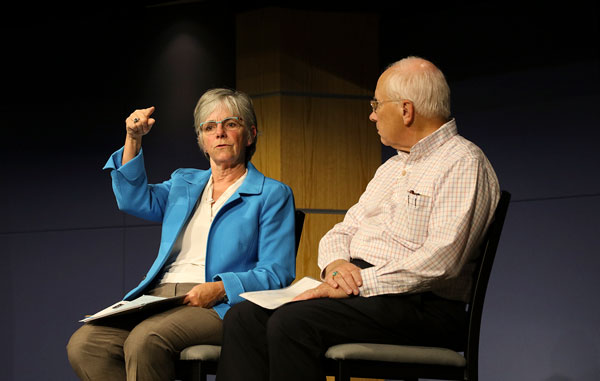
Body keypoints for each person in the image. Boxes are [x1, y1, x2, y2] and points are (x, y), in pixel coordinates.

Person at [216, 56, 501, 381]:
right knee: (244, 318)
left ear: (406, 110)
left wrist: (361, 282)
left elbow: (441, 261)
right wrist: (337, 266)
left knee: (292, 323)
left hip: (422, 305)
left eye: (377, 105)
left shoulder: (463, 162)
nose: (372, 114)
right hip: (366, 293)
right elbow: (342, 231)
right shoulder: (391, 168)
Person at [66, 88, 297, 381]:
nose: (220, 133)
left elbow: (277, 272)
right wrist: (133, 139)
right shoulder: (184, 183)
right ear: (202, 141)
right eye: (210, 127)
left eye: (231, 124)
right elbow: (132, 200)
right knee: (86, 345)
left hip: (217, 305)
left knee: (145, 340)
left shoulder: (272, 194)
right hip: (159, 297)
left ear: (250, 134)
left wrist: (220, 288)